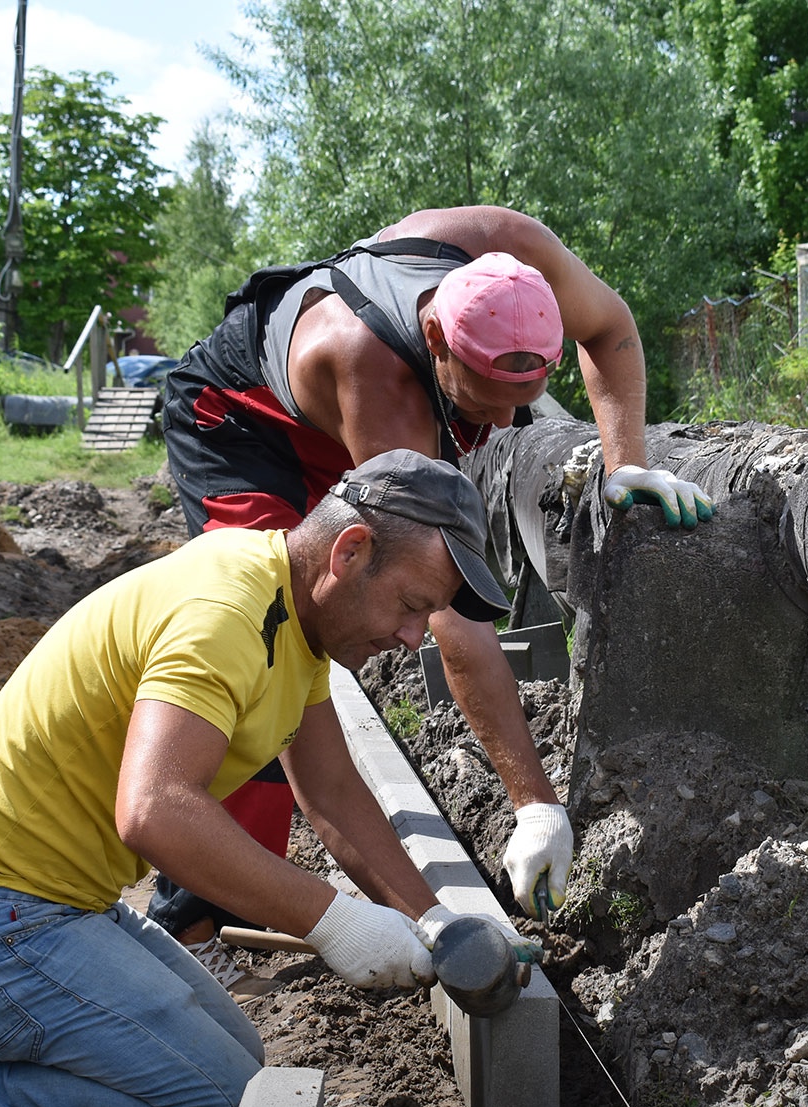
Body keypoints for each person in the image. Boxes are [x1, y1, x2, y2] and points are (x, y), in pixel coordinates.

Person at [0, 450, 513, 1107]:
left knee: (242, 1060)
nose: (411, 638)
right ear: (351, 551)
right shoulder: (229, 616)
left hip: (47, 903)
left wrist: (433, 924)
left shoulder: (293, 619)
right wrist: (334, 923)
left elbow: (333, 794)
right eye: (409, 606)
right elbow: (156, 808)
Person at [156, 205, 715, 965]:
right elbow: (448, 612)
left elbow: (612, 326)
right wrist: (535, 804)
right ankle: (192, 927)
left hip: (341, 427)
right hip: (243, 428)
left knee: (296, 658)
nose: (505, 418)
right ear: (436, 342)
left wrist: (626, 463)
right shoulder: (375, 372)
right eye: (479, 403)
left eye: (519, 397)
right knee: (265, 646)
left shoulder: (515, 252)